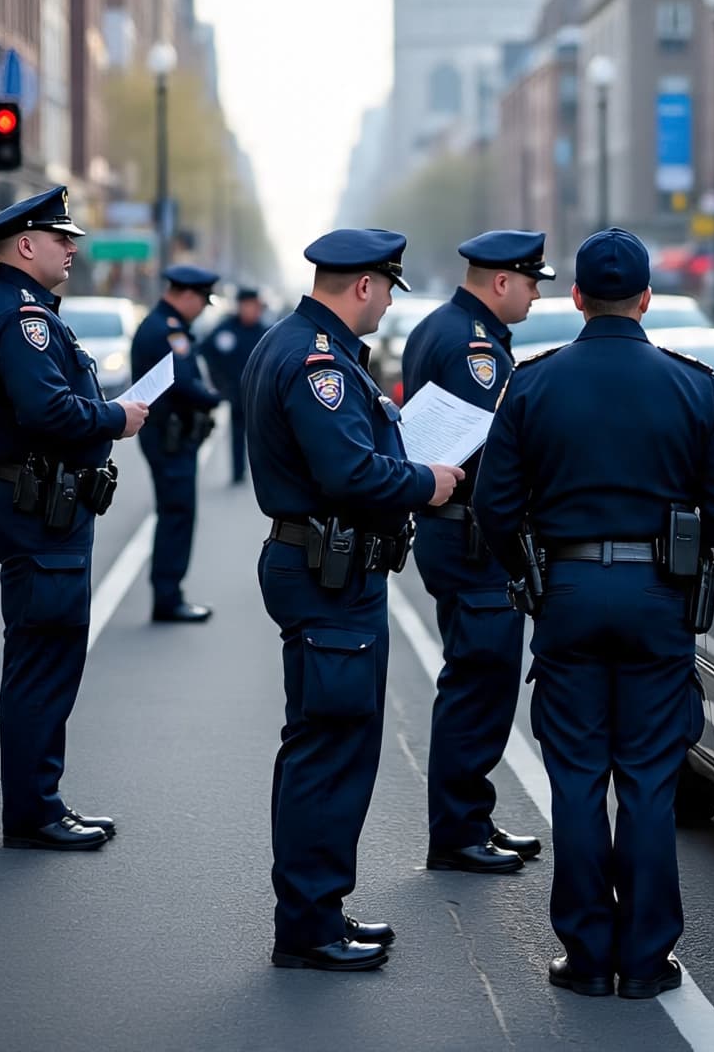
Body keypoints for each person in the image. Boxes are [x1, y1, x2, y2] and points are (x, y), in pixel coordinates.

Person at [473, 227, 714, 1000]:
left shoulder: (532, 383)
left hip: (565, 597)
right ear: (646, 300)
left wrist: (530, 571)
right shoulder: (693, 385)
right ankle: (648, 957)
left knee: (576, 777)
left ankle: (588, 956)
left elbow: (495, 507)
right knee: (650, 782)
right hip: (659, 600)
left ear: (578, 298)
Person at [241, 228, 465, 972]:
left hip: (326, 571)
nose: (386, 306)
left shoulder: (301, 344)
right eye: (386, 290)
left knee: (327, 743)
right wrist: (424, 481)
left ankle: (319, 909)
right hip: (327, 575)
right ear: (363, 286)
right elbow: (346, 472)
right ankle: (308, 926)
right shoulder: (317, 362)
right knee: (330, 749)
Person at [0, 186, 149, 851]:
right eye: (61, 237)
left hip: (41, 504)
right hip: (39, 509)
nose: (72, 246)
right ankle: (36, 812)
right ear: (25, 245)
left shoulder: (19, 308)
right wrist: (116, 418)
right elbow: (47, 411)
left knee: (44, 657)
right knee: (44, 662)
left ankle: (38, 803)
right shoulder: (21, 316)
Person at [402, 230, 554, 875]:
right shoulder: (472, 347)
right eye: (529, 283)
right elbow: (486, 447)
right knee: (479, 683)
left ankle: (471, 817)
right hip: (470, 535)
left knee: (478, 679)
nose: (533, 295)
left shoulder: (446, 326)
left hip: (455, 531)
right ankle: (458, 831)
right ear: (500, 282)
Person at [130, 264, 223, 623]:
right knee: (177, 515)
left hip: (170, 436)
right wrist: (214, 398)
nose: (202, 308)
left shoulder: (163, 326)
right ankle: (168, 598)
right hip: (170, 439)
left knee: (174, 514)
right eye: (202, 301)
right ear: (185, 295)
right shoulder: (166, 331)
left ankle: (168, 595)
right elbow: (182, 383)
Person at [200, 287, 270, 485]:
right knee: (237, 434)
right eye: (249, 306)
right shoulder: (226, 329)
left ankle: (264, 477)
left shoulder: (265, 331)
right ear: (240, 306)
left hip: (261, 395)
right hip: (236, 392)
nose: (254, 310)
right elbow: (206, 351)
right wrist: (219, 381)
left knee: (263, 437)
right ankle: (238, 472)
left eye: (256, 307)